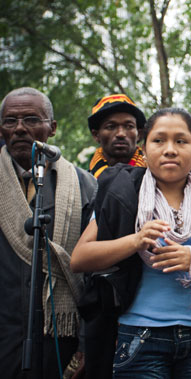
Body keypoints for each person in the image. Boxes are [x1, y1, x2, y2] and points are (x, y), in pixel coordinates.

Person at [71, 108, 191, 378]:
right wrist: (135, 240)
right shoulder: (122, 196)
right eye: (159, 140)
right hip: (139, 338)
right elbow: (79, 258)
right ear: (144, 147)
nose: (170, 150)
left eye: (181, 141)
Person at [0, 87, 97, 378]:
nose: (19, 129)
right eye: (9, 121)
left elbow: (94, 275)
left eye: (31, 119)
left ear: (51, 128)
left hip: (60, 339)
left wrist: (86, 342)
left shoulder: (84, 186)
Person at [87, 94, 147, 178]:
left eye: (129, 126)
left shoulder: (158, 178)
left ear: (139, 134)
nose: (120, 134)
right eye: (110, 127)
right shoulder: (83, 183)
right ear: (96, 135)